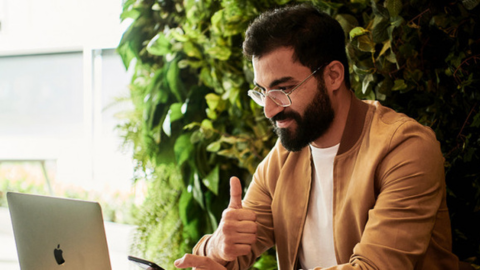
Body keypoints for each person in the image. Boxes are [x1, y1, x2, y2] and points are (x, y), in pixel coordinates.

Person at [175, 4, 460, 270]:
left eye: (283, 89)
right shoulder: (283, 159)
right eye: (262, 93)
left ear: (333, 75)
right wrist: (219, 246)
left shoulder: (404, 148)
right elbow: (226, 256)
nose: (269, 109)